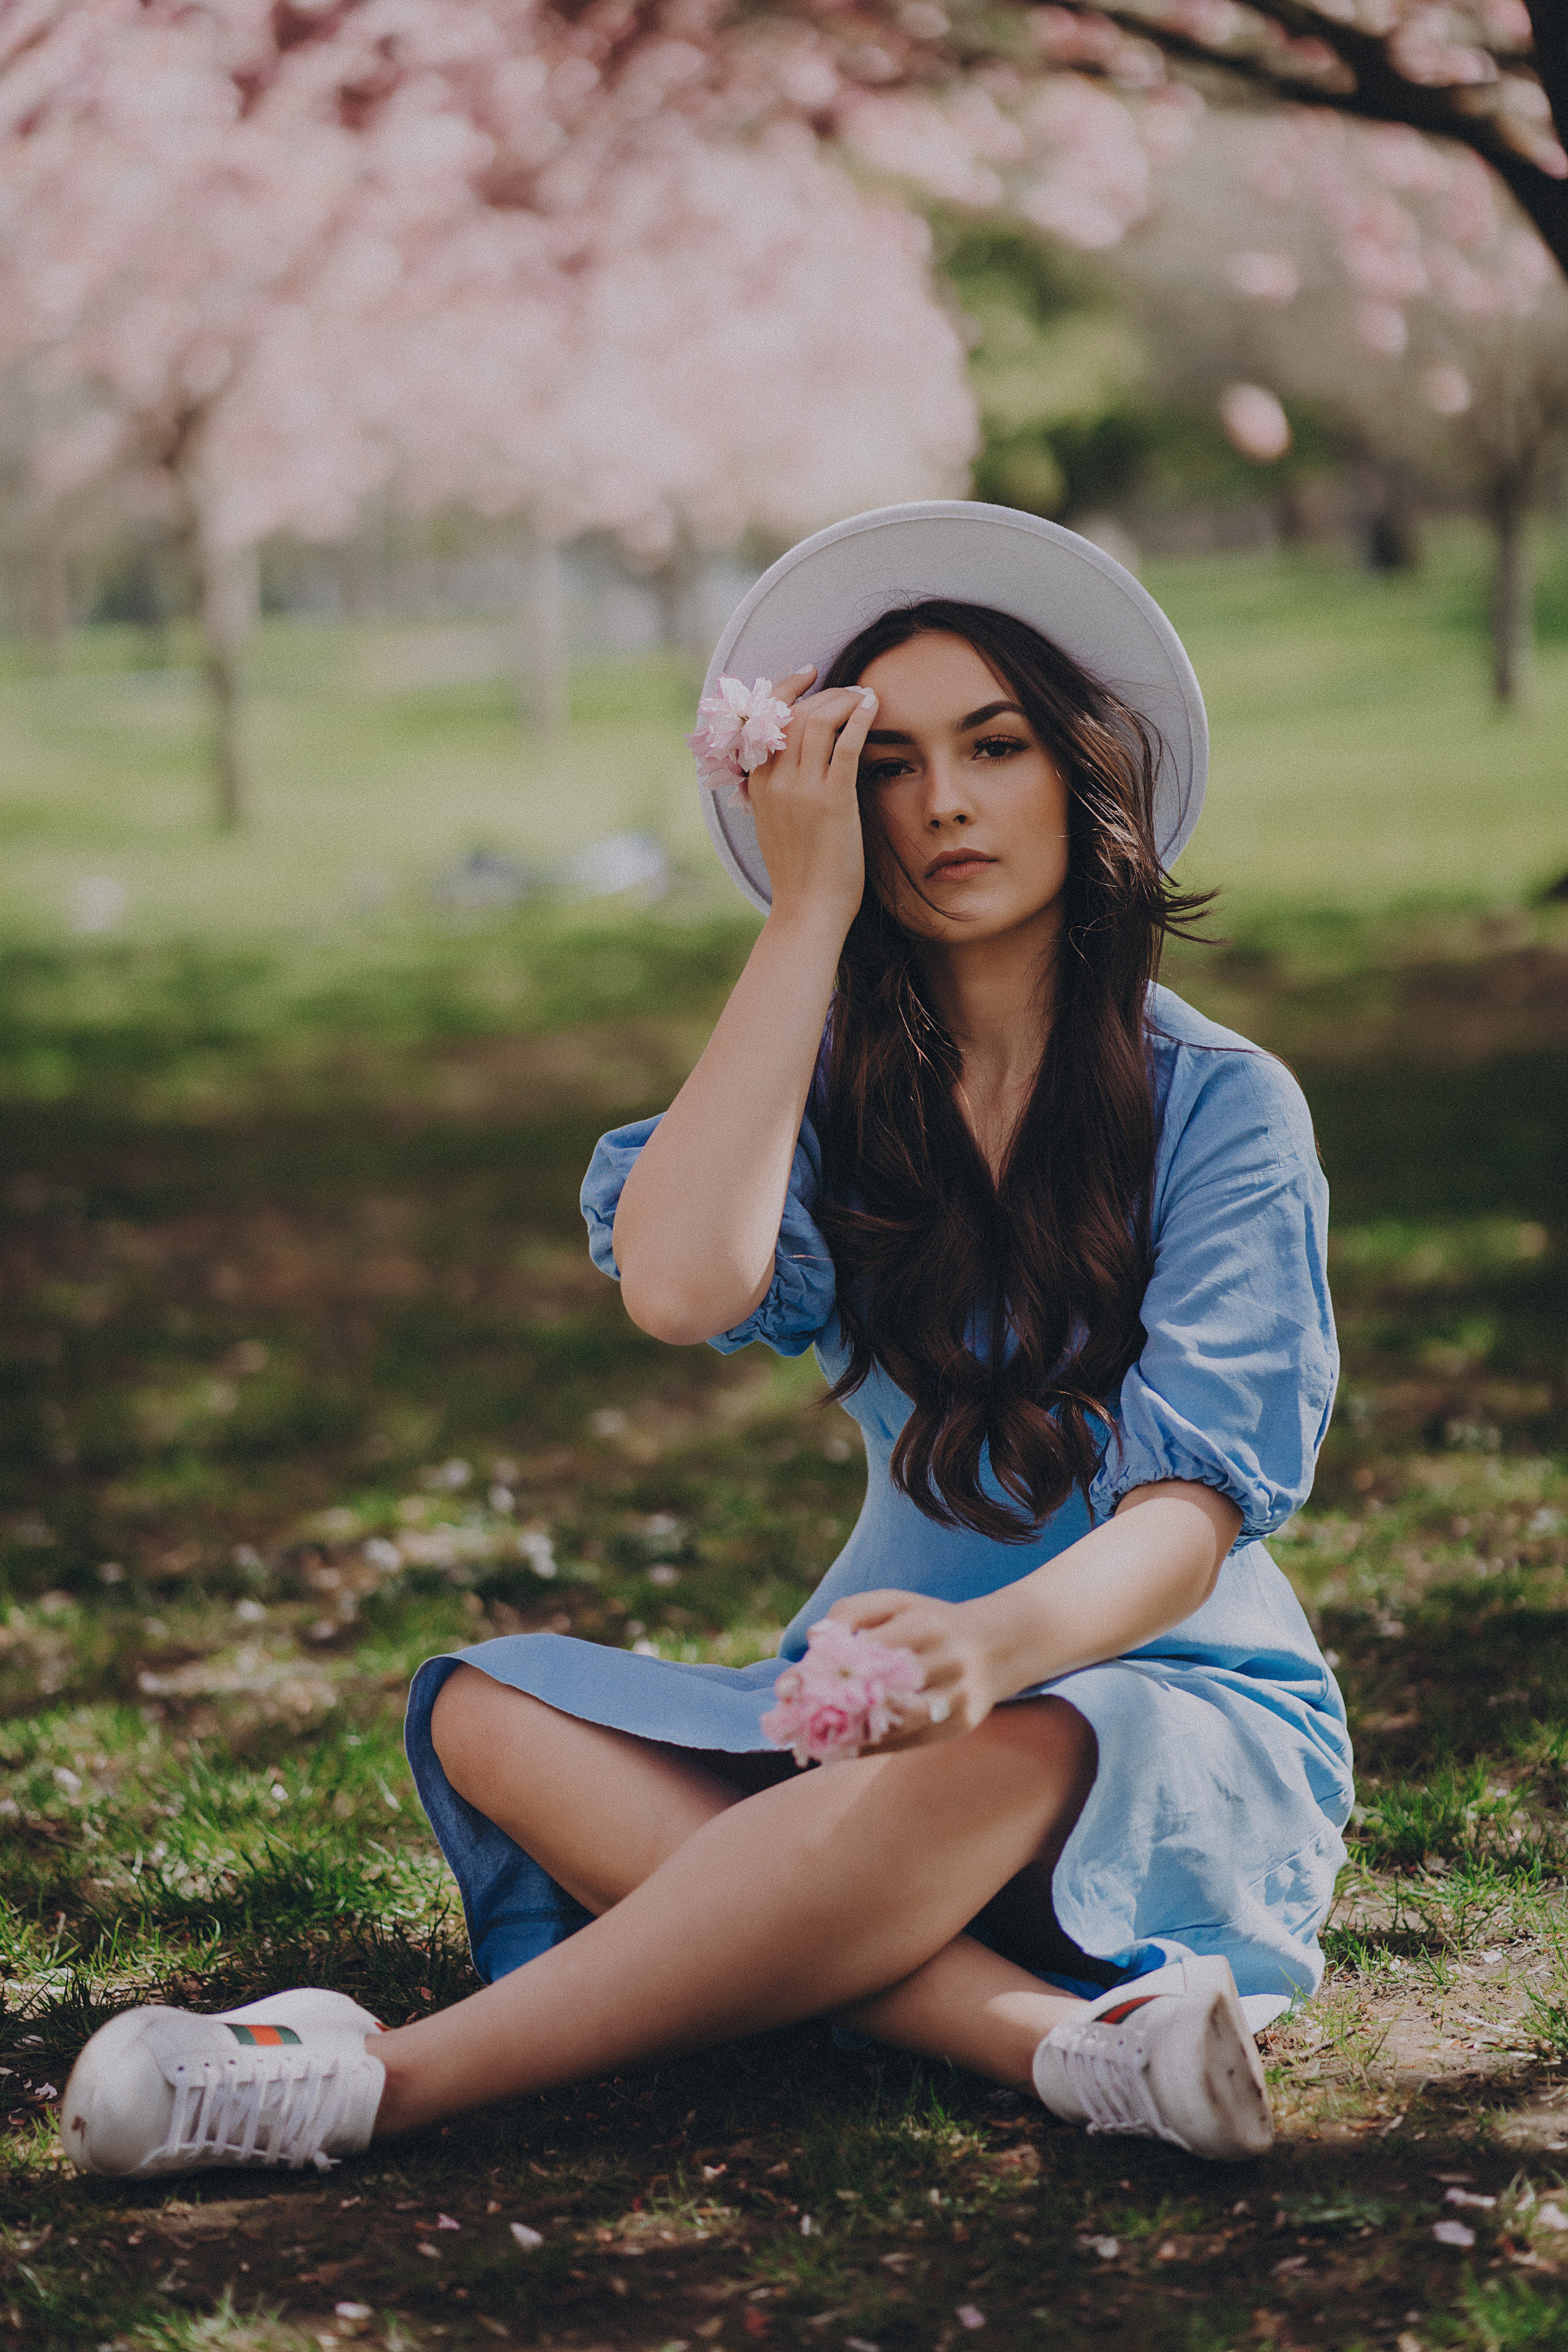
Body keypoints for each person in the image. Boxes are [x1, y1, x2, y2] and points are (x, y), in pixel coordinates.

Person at [61, 503, 1352, 2180]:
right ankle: (1059, 2048)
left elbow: (1191, 1523)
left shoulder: (1225, 1107)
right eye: (885, 764)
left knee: (1007, 1744)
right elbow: (680, 1285)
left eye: (996, 746)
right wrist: (799, 923)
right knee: (488, 1712)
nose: (943, 804)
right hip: (861, 1704)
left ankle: (374, 2087)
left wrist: (989, 1652)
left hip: (1154, 1704)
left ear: (1080, 771)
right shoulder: (830, 1088)